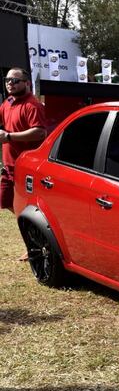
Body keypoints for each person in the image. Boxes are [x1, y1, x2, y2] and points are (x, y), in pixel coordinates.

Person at [1, 68, 47, 260]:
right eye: (7, 80)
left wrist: (9, 136)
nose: (10, 83)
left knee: (30, 208)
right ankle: (33, 239)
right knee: (4, 200)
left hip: (25, 167)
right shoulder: (8, 102)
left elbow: (40, 132)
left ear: (26, 83)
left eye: (15, 80)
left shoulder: (32, 105)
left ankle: (36, 244)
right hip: (8, 165)